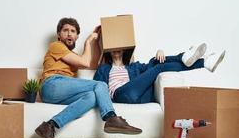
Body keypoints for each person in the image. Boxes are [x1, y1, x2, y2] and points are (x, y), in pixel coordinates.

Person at [35, 17, 142, 138]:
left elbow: (93, 63)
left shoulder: (72, 55)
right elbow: (85, 62)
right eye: (65, 30)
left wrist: (100, 40)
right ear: (59, 34)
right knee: (101, 84)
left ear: (76, 36)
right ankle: (111, 118)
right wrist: (89, 40)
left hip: (58, 92)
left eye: (73, 31)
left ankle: (50, 126)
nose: (69, 33)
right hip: (52, 84)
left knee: (92, 97)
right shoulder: (56, 46)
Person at [94, 43, 225, 104]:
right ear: (109, 50)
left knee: (156, 62)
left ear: (123, 50)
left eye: (119, 47)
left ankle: (202, 61)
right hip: (121, 94)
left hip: (138, 96)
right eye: (113, 48)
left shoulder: (133, 67)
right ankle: (199, 61)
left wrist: (160, 51)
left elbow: (152, 65)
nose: (116, 50)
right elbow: (96, 86)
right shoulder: (104, 69)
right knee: (158, 68)